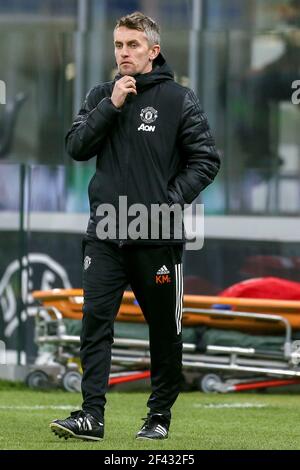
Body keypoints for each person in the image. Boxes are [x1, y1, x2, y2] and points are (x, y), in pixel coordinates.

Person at [50, 11, 220, 441]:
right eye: (119, 46)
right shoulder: (100, 95)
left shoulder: (179, 99)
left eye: (133, 46)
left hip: (156, 235)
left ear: (153, 51)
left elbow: (206, 160)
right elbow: (76, 146)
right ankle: (92, 415)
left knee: (165, 331)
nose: (124, 54)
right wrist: (112, 104)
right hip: (105, 234)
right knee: (95, 323)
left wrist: (170, 199)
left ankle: (159, 415)